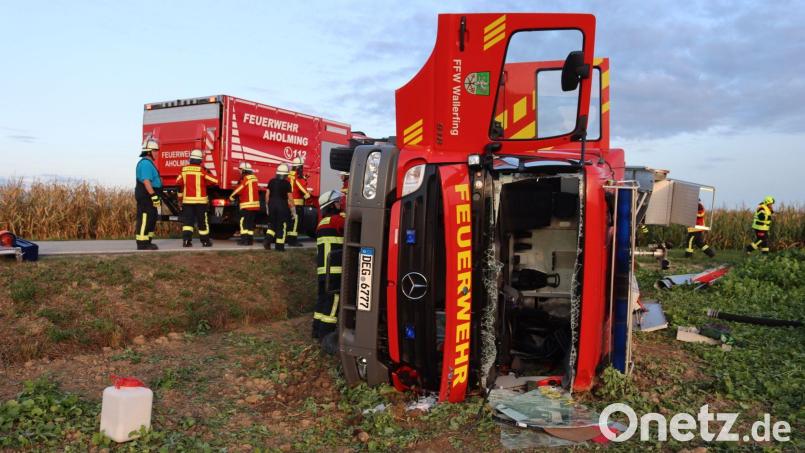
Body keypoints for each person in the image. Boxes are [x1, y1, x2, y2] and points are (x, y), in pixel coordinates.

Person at [312, 190, 345, 353]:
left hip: (323, 270)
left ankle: (316, 331)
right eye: (338, 202)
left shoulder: (323, 222)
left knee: (322, 300)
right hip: (335, 270)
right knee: (333, 302)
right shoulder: (338, 220)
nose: (341, 204)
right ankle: (327, 337)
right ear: (332, 205)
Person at [176, 149, 218, 247]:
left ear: (190, 159)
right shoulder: (201, 171)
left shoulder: (184, 170)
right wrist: (207, 176)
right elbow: (214, 180)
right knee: (202, 222)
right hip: (200, 202)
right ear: (200, 160)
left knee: (187, 222)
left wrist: (180, 199)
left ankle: (186, 241)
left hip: (187, 202)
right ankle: (205, 242)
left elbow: (178, 183)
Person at [134, 138, 162, 250]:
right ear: (149, 152)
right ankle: (142, 244)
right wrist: (153, 195)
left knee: (151, 218)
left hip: (149, 196)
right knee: (145, 218)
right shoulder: (145, 164)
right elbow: (146, 181)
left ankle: (147, 242)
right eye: (155, 151)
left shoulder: (149, 163)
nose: (157, 153)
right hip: (146, 197)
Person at [229, 162, 260, 246]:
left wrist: (232, 196)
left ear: (244, 171)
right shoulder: (254, 178)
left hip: (247, 205)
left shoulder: (246, 179)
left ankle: (244, 240)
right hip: (254, 206)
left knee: (243, 223)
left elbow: (240, 188)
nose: (240, 172)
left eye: (241, 170)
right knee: (250, 224)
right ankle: (249, 241)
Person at [265, 164, 293, 251]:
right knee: (281, 226)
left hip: (272, 205)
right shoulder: (287, 184)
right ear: (286, 175)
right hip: (282, 206)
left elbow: (267, 195)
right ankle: (279, 247)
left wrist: (267, 206)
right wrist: (293, 211)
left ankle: (267, 241)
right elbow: (290, 199)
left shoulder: (271, 181)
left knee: (272, 225)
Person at [287, 157, 311, 246]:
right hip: (296, 203)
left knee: (291, 222)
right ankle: (293, 241)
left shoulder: (289, 175)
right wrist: (307, 195)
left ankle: (289, 239)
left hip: (289, 202)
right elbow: (301, 187)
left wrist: (304, 178)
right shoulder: (296, 177)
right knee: (296, 222)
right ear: (299, 167)